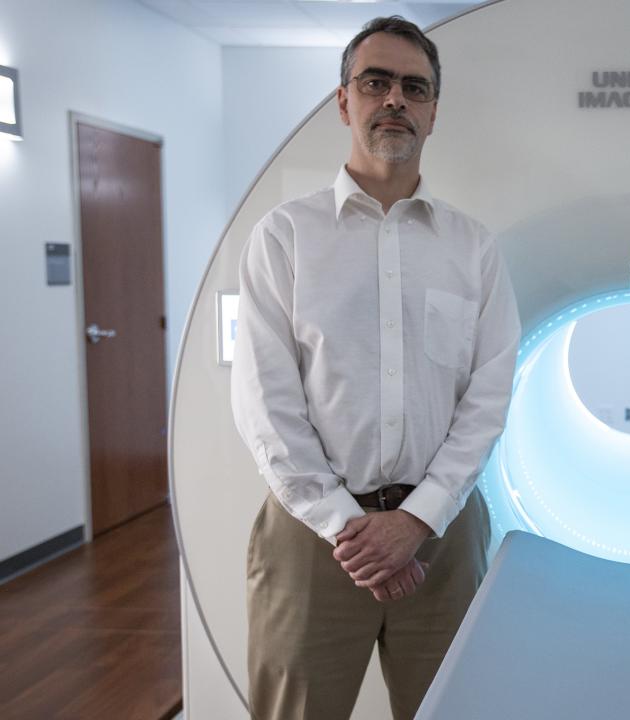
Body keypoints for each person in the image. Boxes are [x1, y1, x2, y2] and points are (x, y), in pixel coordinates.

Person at [230, 16, 519, 720]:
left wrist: (416, 520)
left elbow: (488, 397)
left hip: (441, 538)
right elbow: (266, 403)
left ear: (433, 112)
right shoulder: (284, 237)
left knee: (450, 709)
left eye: (414, 88)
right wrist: (347, 528)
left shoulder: (472, 248)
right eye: (375, 82)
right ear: (344, 101)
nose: (395, 98)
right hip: (313, 540)